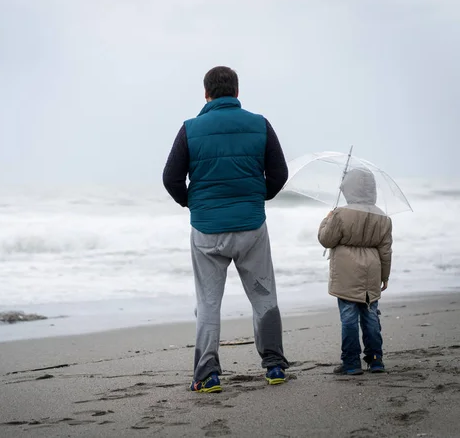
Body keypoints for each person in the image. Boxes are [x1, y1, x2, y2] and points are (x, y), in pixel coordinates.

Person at [162, 66, 290, 393]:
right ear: (236, 91)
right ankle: (274, 366)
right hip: (251, 228)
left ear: (206, 94)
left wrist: (194, 203)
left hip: (207, 231)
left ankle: (207, 375)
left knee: (208, 303)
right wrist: (256, 197)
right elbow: (279, 174)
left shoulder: (190, 129)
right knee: (264, 296)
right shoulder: (259, 124)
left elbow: (171, 179)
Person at [318, 168, 393, 375]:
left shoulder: (341, 213)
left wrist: (327, 219)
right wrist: (384, 276)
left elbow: (326, 239)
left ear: (348, 190)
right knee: (370, 317)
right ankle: (376, 359)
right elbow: (385, 251)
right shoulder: (383, 217)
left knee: (349, 319)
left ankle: (351, 363)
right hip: (371, 274)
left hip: (346, 275)